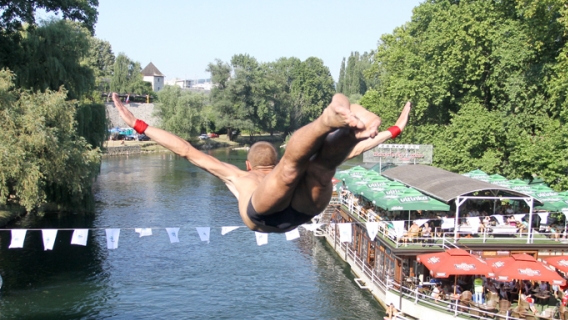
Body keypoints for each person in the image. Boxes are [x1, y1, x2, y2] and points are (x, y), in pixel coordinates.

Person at [112, 93, 410, 233]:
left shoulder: (238, 176)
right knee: (321, 168)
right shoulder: (266, 171)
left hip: (263, 215)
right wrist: (392, 130)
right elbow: (356, 150)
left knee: (292, 170)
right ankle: (344, 119)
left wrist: (139, 124)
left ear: (248, 164)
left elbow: (186, 150)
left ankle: (327, 120)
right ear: (273, 157)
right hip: (305, 210)